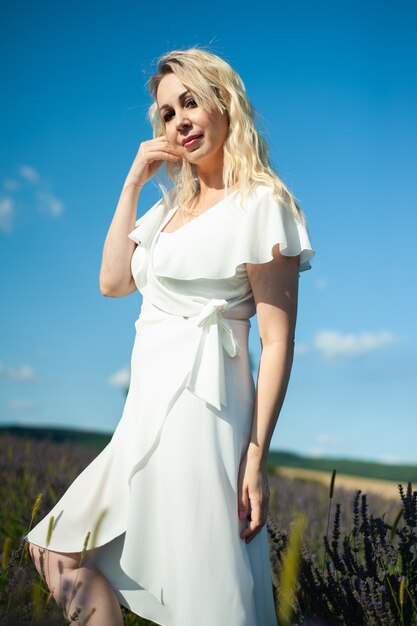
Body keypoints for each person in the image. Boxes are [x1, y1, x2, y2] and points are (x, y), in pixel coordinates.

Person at [24, 47, 314, 626]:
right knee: (55, 549)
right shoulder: (167, 212)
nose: (179, 120)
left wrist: (255, 456)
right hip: (143, 413)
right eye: (165, 112)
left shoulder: (261, 202)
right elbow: (111, 282)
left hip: (205, 411)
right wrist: (134, 180)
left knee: (205, 587)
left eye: (190, 102)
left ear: (224, 104)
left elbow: (278, 342)